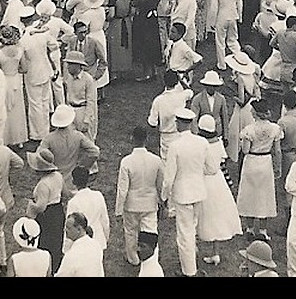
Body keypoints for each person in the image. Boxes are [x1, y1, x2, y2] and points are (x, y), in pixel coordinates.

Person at [162, 106, 207, 277]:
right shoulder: (202, 142)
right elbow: (210, 167)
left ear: (180, 123)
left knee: (185, 234)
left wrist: (164, 197)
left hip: (184, 195)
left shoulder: (175, 146)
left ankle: (189, 272)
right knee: (192, 228)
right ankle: (191, 263)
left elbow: (169, 178)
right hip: (199, 191)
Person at [196, 114, 242, 267]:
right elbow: (223, 165)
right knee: (215, 217)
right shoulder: (219, 143)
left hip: (203, 180)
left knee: (197, 214)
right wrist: (230, 183)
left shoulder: (200, 144)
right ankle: (215, 253)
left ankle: (194, 246)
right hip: (218, 181)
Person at [115, 126, 164, 267]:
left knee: (130, 232)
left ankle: (133, 258)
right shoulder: (156, 160)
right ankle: (151, 257)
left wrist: (119, 209)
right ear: (146, 139)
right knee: (150, 230)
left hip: (131, 204)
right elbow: (161, 183)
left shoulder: (127, 161)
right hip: (150, 203)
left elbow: (122, 188)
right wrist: (163, 200)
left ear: (132, 138)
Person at [236, 99, 282, 237]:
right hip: (266, 161)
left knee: (250, 193)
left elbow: (245, 150)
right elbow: (278, 150)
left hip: (251, 160)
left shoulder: (249, 130)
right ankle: (263, 230)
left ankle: (249, 228)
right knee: (264, 195)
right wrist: (277, 166)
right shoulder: (275, 128)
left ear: (255, 113)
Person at [25, 147, 65, 272]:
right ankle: (56, 267)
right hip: (58, 211)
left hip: (47, 216)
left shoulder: (43, 184)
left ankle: (45, 269)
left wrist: (31, 205)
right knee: (56, 241)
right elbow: (64, 192)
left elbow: (41, 207)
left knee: (45, 242)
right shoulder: (58, 176)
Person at [55, 211, 105, 277]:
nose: (65, 230)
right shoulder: (96, 245)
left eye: (68, 228)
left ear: (79, 229)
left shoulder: (72, 254)